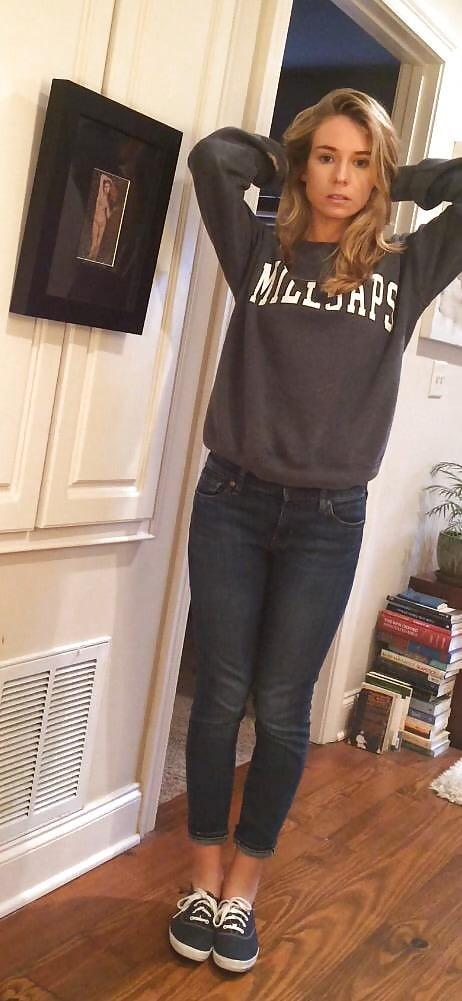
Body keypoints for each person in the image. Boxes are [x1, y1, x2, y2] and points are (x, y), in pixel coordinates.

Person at [168, 87, 462, 974]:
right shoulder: (260, 247)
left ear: (379, 176)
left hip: (329, 520)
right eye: (327, 157)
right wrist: (288, 156)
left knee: (284, 706)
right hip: (232, 497)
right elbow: (212, 159)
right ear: (305, 165)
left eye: (360, 163)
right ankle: (201, 878)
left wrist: (398, 177)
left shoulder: (405, 268)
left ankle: (244, 888)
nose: (342, 177)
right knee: (220, 696)